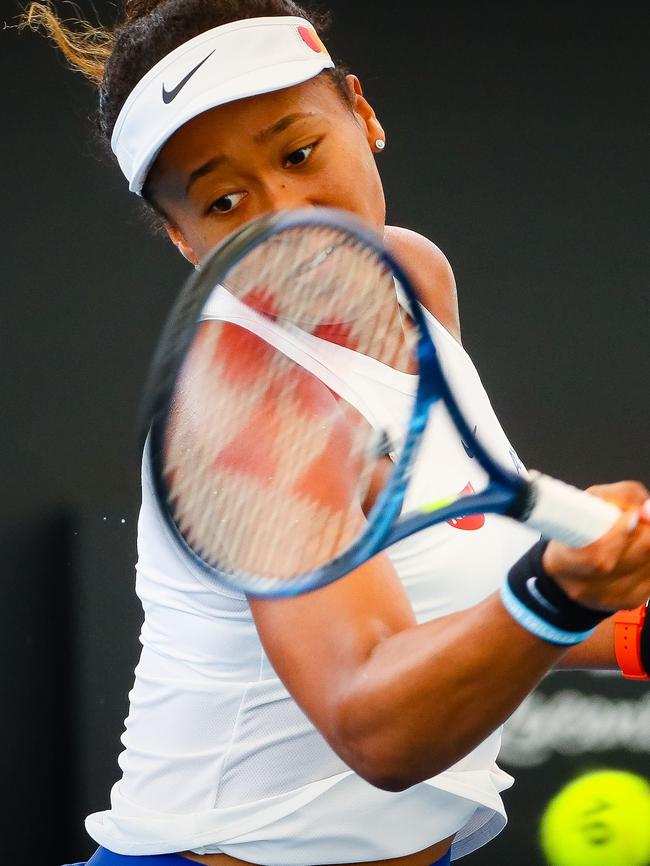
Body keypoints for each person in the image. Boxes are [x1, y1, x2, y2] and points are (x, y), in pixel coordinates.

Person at [21, 2, 650, 865]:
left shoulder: (412, 276)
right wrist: (559, 591)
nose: (287, 215)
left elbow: (445, 598)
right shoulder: (252, 408)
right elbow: (376, 729)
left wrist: (625, 624)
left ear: (363, 113)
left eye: (298, 152)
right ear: (181, 238)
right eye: (225, 200)